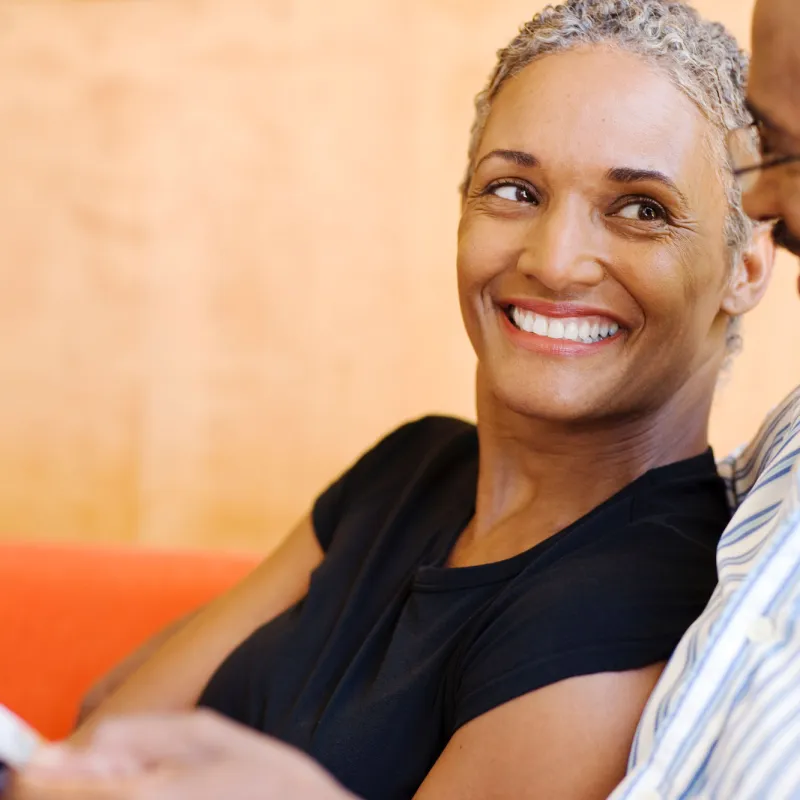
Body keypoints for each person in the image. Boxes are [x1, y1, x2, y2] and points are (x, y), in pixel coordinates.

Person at [6, 0, 786, 798]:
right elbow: (103, 734)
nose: (555, 261)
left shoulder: (644, 603)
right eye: (514, 190)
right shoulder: (414, 468)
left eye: (640, 210)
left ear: (749, 263)